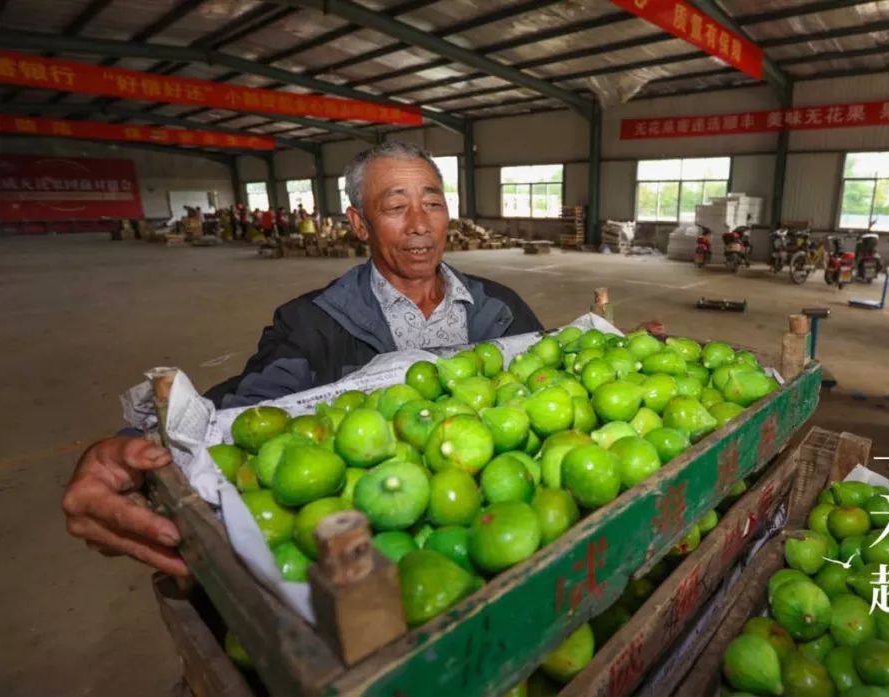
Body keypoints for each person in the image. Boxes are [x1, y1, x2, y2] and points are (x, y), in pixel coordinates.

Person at [62, 141, 544, 576]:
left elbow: (544, 374)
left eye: (433, 204)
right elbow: (250, 405)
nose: (420, 224)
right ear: (359, 224)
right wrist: (131, 445)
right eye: (396, 206)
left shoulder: (499, 308)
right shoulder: (311, 324)